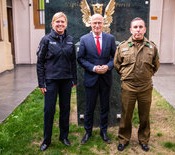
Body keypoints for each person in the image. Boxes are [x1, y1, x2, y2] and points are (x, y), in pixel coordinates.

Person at [114, 17, 160, 152]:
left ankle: (144, 139)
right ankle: (124, 139)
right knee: (126, 115)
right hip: (128, 87)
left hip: (145, 87)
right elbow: (117, 64)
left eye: (141, 27)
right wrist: (125, 75)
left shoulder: (151, 47)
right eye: (135, 27)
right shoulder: (122, 47)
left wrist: (146, 75)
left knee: (144, 115)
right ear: (131, 29)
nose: (138, 30)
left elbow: (155, 65)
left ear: (145, 29)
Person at [36, 12, 77, 151]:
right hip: (51, 81)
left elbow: (73, 62)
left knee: (65, 109)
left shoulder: (70, 40)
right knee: (49, 110)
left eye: (62, 22)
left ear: (66, 24)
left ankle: (63, 136)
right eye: (57, 22)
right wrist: (41, 83)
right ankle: (47, 140)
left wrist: (74, 79)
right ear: (52, 24)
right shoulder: (46, 40)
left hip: (66, 81)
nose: (60, 24)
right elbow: (40, 63)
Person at [77, 14, 116, 144]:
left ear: (103, 23)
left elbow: (114, 57)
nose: (97, 25)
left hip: (105, 78)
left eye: (99, 22)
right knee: (89, 107)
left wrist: (108, 66)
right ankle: (88, 132)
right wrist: (93, 68)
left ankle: (103, 132)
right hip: (91, 78)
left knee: (105, 106)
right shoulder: (84, 39)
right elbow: (80, 59)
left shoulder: (110, 38)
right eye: (95, 23)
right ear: (90, 23)